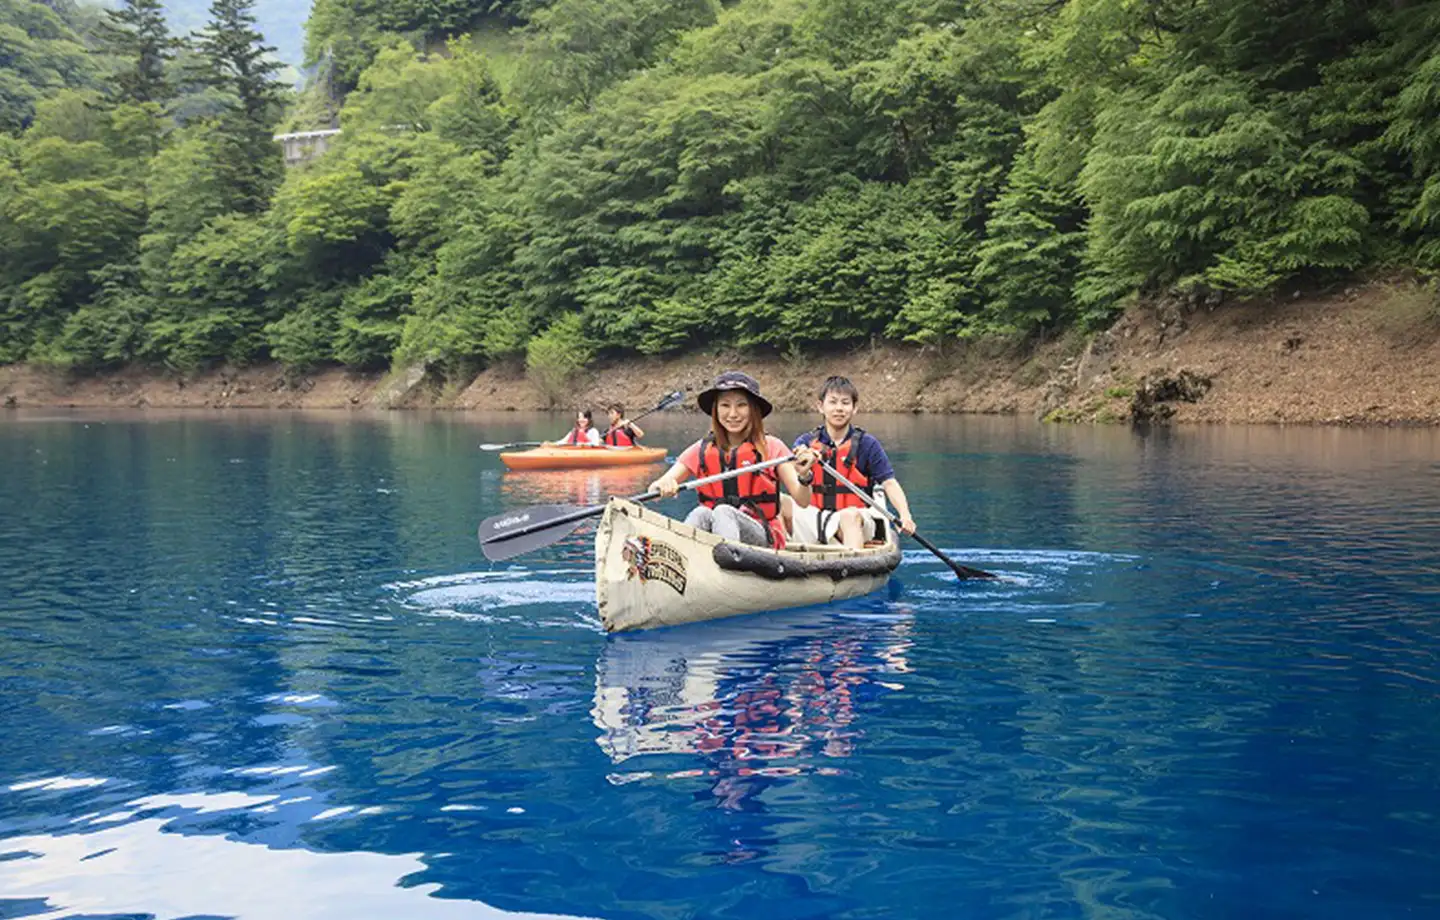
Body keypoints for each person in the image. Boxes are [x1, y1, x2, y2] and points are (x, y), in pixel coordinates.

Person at [649, 371, 817, 548]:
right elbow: (654, 489)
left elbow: (802, 500)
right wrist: (664, 484)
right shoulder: (701, 449)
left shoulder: (773, 447)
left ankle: (727, 563)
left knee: (723, 512)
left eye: (741, 405)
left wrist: (805, 476)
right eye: (725, 405)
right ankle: (684, 558)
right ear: (716, 410)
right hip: (719, 531)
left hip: (763, 536)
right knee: (701, 513)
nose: (733, 414)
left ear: (753, 409)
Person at [791, 375, 917, 549]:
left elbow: (889, 483)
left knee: (848, 516)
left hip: (858, 519)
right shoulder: (804, 443)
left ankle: (851, 565)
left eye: (845, 403)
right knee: (782, 505)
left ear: (854, 408)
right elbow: (797, 475)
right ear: (821, 406)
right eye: (833, 402)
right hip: (817, 518)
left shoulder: (868, 444)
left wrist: (905, 515)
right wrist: (804, 465)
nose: (839, 409)